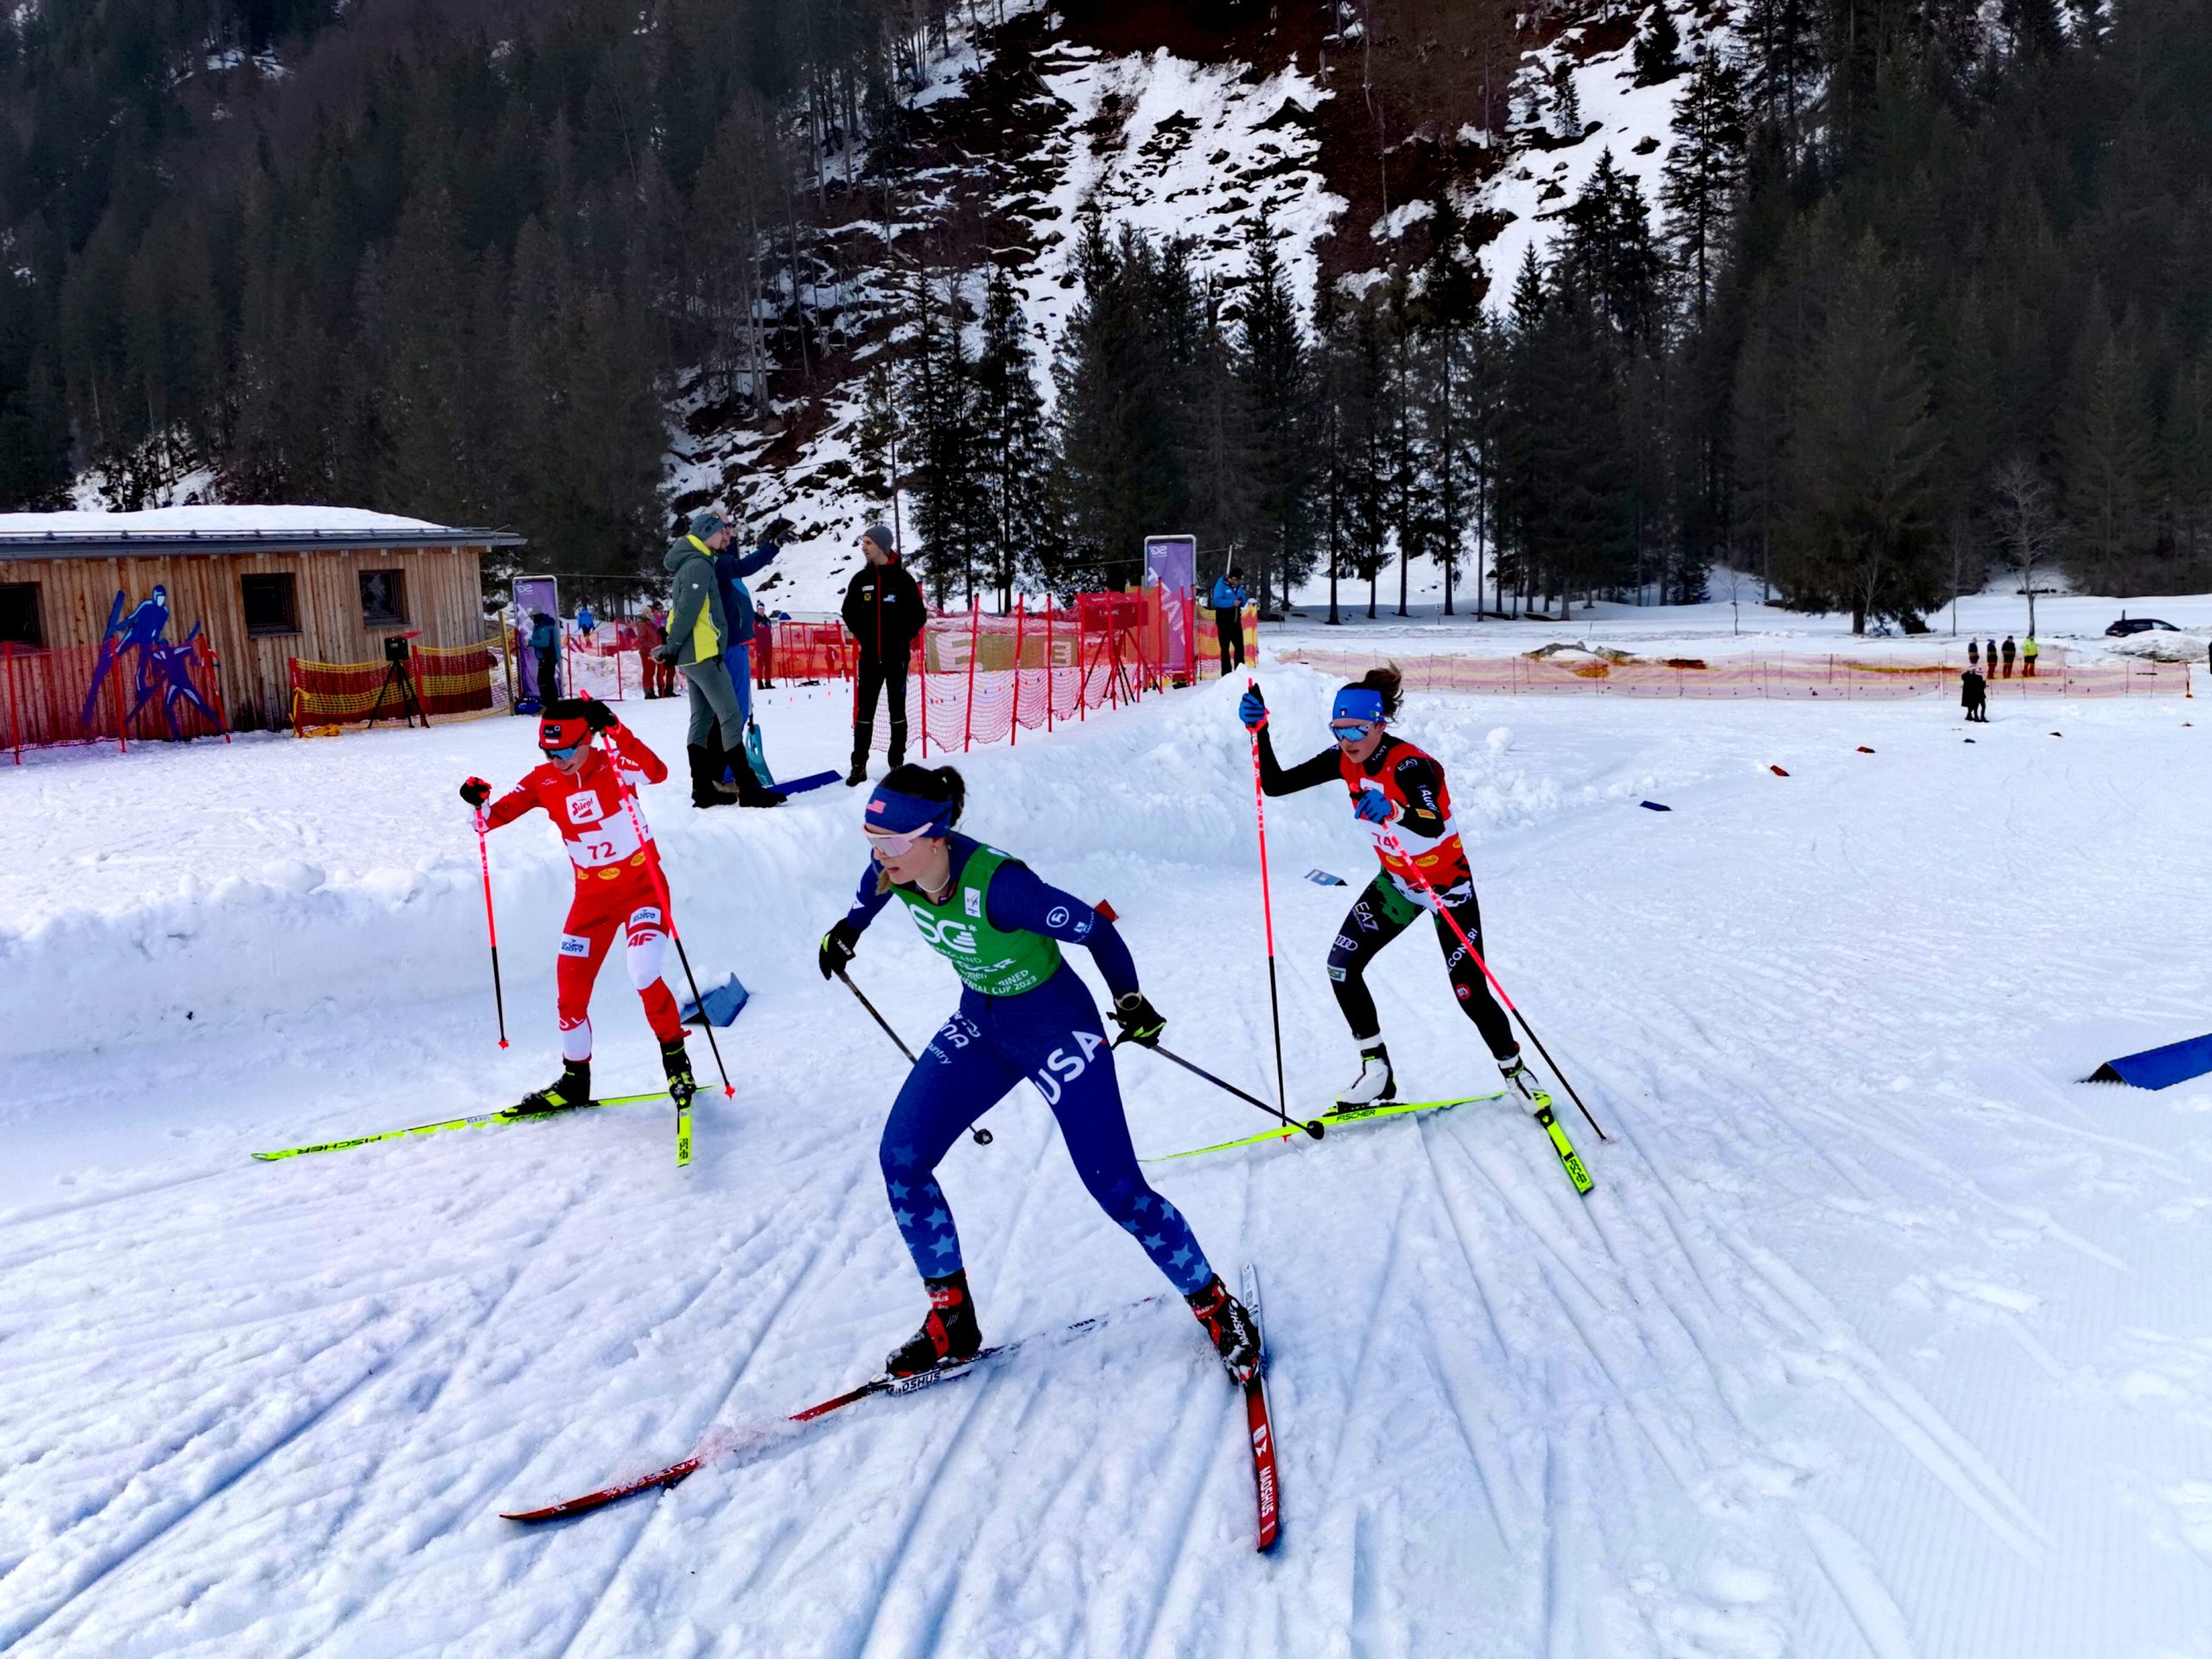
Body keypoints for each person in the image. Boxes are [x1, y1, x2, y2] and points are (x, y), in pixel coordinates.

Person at [816, 765, 1262, 1382]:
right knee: (902, 1157)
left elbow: (1096, 929)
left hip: (1056, 1029)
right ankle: (952, 1319)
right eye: (871, 840)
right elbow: (871, 894)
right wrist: (847, 931)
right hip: (982, 1023)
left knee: (1117, 1188)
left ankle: (1215, 1305)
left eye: (891, 843)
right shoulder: (897, 869)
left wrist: (1129, 1000)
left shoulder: (1004, 889)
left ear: (937, 834)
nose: (879, 855)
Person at [1239, 665, 1531, 1109]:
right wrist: (1260, 731)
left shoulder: (1411, 765)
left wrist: (1394, 809)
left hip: (1446, 889)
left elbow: (1431, 823)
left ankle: (1516, 1072)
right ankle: (1377, 1071)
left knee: (1468, 991)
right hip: (1397, 885)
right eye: (1339, 729)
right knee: (1341, 966)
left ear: (1380, 724)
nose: (1348, 739)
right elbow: (1277, 785)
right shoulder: (1342, 759)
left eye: (1358, 728)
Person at [459, 697, 697, 1113]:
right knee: (569, 993)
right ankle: (574, 1081)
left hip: (643, 886)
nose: (559, 760)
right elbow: (490, 820)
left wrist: (618, 730)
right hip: (592, 900)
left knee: (642, 970)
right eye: (549, 752)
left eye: (567, 750)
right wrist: (477, 803)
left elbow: (658, 772)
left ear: (588, 738)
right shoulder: (543, 781)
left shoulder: (614, 764)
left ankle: (676, 1063)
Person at [656, 510, 760, 810]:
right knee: (730, 715)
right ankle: (747, 788)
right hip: (702, 652)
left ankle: (702, 789)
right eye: (720, 531)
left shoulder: (698, 561)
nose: (724, 535)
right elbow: (688, 611)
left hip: (694, 652)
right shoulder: (699, 565)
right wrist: (672, 646)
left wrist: (674, 647)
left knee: (701, 720)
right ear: (706, 533)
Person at [841, 524, 927, 786]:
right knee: (864, 713)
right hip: (870, 659)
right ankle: (859, 765)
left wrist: (901, 638)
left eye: (868, 542)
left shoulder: (902, 580)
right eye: (863, 542)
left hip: (896, 657)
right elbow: (848, 612)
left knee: (897, 712)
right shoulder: (860, 580)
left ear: (882, 546)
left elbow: (919, 615)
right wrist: (865, 636)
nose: (864, 547)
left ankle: (896, 763)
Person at [1211, 565, 1249, 675]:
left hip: (1236, 620)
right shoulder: (1221, 585)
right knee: (1225, 648)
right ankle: (1226, 673)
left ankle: (1240, 671)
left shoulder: (1238, 587)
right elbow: (1217, 601)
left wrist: (1243, 600)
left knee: (1239, 647)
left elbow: (1243, 599)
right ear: (1232, 578)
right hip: (1224, 620)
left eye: (1240, 581)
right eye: (1237, 580)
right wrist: (1231, 603)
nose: (1238, 583)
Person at [529, 610, 561, 706]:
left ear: (536, 616)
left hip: (547, 657)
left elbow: (545, 643)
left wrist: (530, 643)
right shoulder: (542, 624)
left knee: (543, 681)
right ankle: (552, 703)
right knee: (549, 680)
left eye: (531, 616)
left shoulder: (543, 627)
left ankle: (547, 704)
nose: (530, 618)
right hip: (549, 657)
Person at [634, 607, 666, 698]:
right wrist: (650, 648)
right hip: (646, 651)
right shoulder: (642, 625)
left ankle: (651, 691)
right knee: (648, 671)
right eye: (647, 612)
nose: (650, 614)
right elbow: (642, 639)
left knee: (652, 671)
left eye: (650, 612)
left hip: (653, 650)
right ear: (644, 613)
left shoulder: (650, 623)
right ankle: (648, 692)